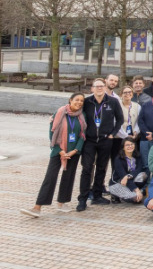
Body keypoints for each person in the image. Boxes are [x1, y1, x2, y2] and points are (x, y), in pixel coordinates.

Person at [21, 93, 86, 218]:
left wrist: (75, 150)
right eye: (77, 100)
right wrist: (60, 150)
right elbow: (52, 132)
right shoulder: (60, 112)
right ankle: (37, 207)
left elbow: (82, 135)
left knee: (69, 177)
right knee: (50, 177)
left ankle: (62, 203)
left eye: (82, 101)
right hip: (58, 151)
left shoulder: (82, 116)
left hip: (73, 152)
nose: (79, 102)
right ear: (70, 100)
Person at [77, 78, 124, 211]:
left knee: (102, 168)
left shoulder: (113, 101)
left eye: (101, 86)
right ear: (92, 88)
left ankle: (97, 195)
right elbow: (73, 110)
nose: (99, 88)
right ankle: (83, 198)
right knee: (87, 169)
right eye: (96, 86)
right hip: (89, 140)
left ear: (104, 87)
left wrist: (113, 133)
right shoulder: (87, 102)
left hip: (105, 140)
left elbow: (120, 119)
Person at [107, 137, 145, 204]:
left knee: (143, 175)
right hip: (118, 183)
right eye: (127, 145)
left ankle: (133, 192)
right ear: (123, 147)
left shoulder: (137, 156)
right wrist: (137, 190)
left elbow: (139, 169)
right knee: (136, 199)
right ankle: (115, 195)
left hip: (129, 181)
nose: (130, 146)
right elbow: (123, 177)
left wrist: (128, 176)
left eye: (132, 144)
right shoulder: (118, 159)